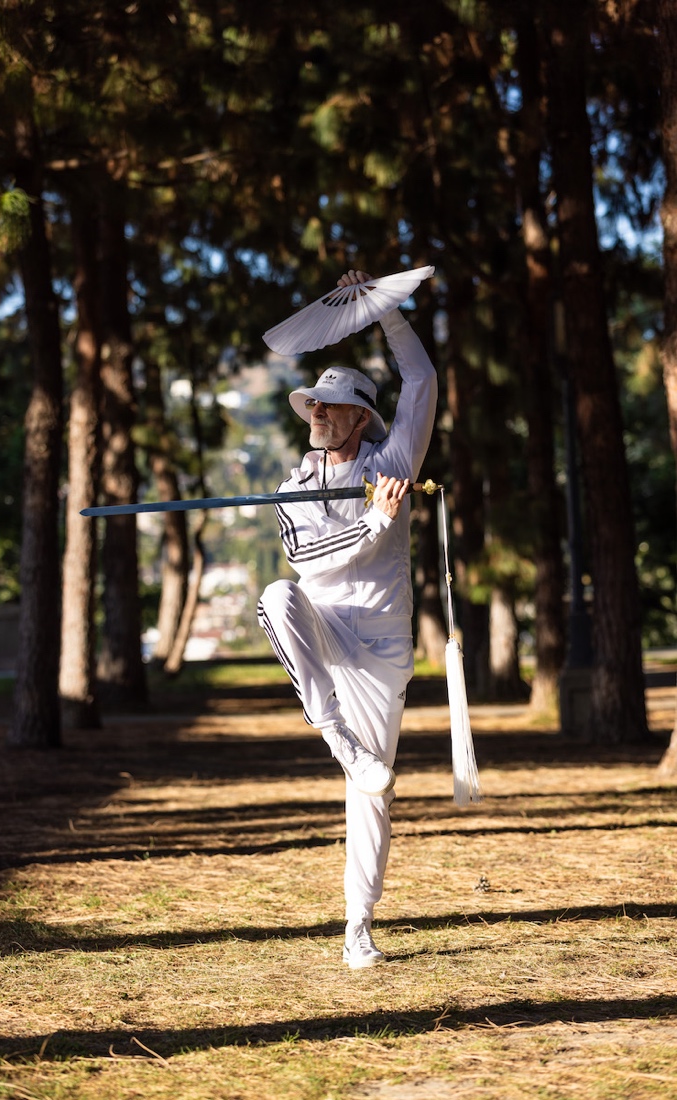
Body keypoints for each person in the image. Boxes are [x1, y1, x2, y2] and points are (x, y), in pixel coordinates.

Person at [257, 268, 438, 968]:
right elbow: (307, 557)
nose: (319, 414)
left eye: (332, 407)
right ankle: (331, 732)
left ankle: (357, 924)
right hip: (321, 624)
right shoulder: (291, 485)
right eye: (314, 406)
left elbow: (419, 381)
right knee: (277, 596)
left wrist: (382, 310)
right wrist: (374, 521)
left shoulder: (394, 459)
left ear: (361, 417)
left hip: (381, 648)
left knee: (373, 792)